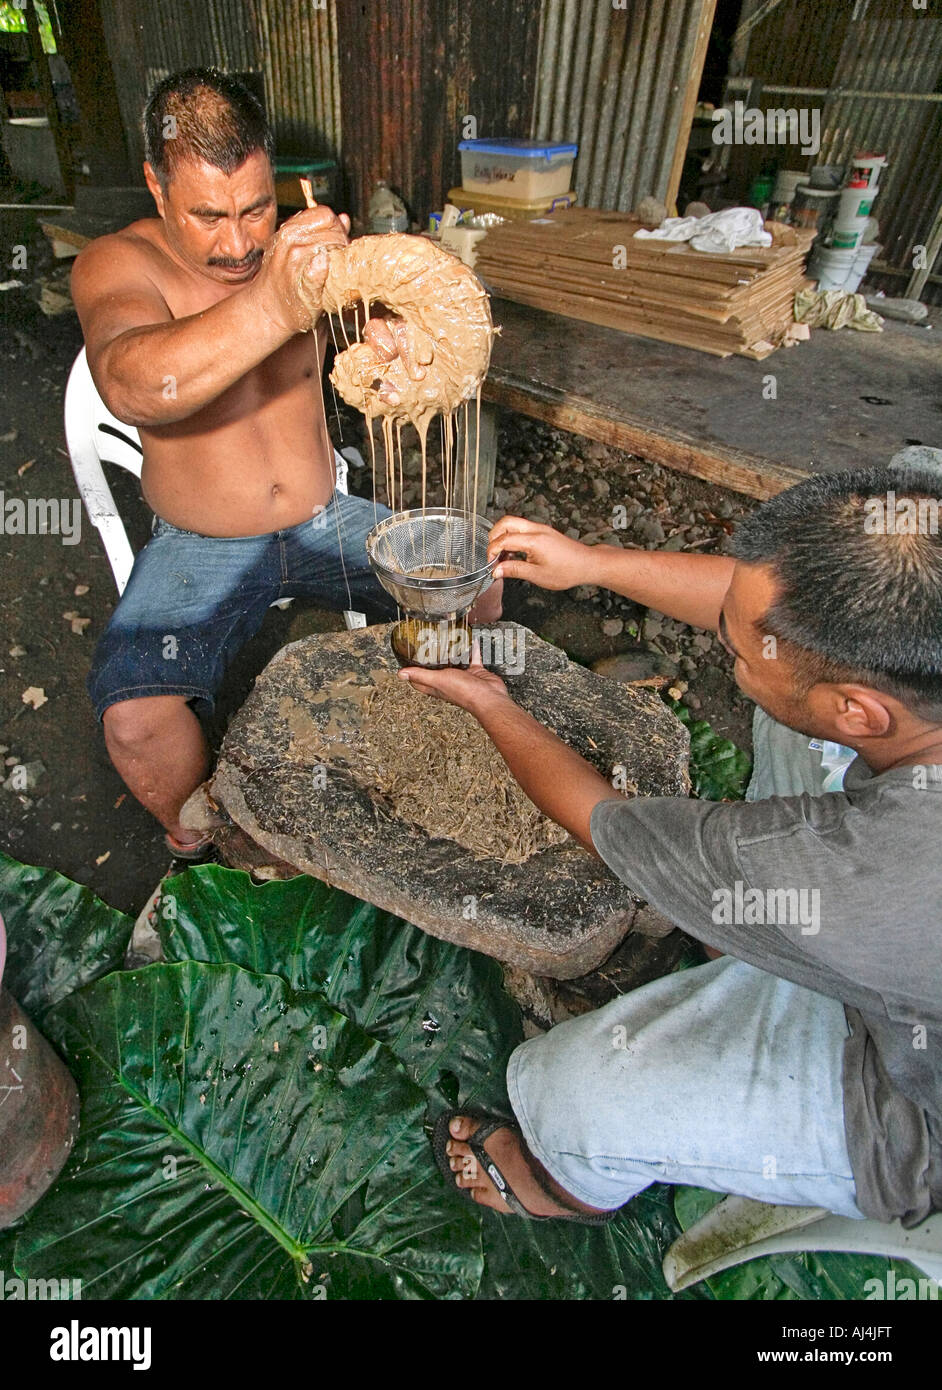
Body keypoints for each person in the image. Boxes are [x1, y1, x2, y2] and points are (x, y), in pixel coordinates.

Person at [401, 467, 942, 1230]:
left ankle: (555, 1182)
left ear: (859, 713)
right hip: (904, 948)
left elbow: (604, 820)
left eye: (742, 651)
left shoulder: (859, 872)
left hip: (912, 1099)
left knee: (576, 1095)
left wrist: (488, 698)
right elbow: (779, 613)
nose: (730, 649)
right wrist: (592, 562)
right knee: (785, 709)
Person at [74, 68, 494, 857]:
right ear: (155, 188)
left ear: (276, 179)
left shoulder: (304, 249)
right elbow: (133, 381)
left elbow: (388, 323)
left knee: (479, 587)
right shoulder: (117, 264)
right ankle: (202, 840)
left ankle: (441, 751)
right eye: (207, 216)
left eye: (255, 207)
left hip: (320, 516)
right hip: (203, 541)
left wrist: (389, 337)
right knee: (135, 718)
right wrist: (274, 301)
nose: (237, 243)